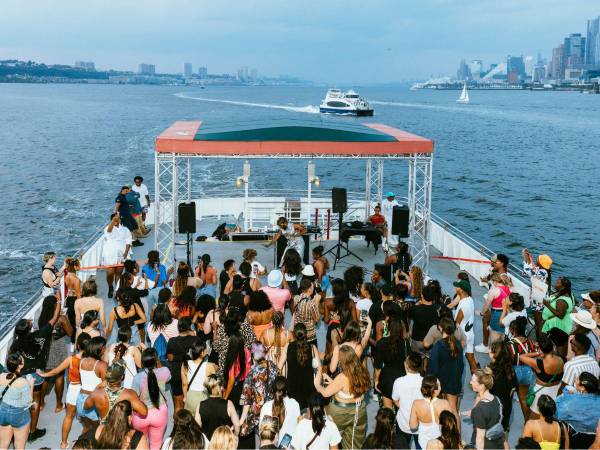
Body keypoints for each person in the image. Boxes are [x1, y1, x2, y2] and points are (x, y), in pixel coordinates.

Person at [9, 296, 61, 441]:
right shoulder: (40, 334)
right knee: (36, 399)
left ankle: (18, 430)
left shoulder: (15, 344)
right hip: (36, 374)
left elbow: (12, 361)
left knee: (22, 401)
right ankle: (32, 432)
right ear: (28, 329)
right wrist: (59, 302)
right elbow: (55, 317)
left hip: (21, 375)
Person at [37, 333, 91, 449]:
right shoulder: (91, 361)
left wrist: (44, 374)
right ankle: (83, 442)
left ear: (77, 346)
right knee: (87, 419)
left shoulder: (70, 360)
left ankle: (63, 443)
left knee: (68, 417)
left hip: (73, 389)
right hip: (85, 391)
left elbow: (55, 371)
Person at [314, 346, 370, 450]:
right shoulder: (362, 370)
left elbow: (325, 393)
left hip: (340, 413)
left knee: (333, 436)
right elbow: (350, 389)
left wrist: (317, 384)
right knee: (354, 442)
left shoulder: (342, 377)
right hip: (359, 410)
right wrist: (333, 382)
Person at [38, 294, 73, 414]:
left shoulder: (41, 319)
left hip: (45, 349)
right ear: (55, 306)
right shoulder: (61, 318)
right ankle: (58, 405)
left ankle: (41, 403)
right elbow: (70, 333)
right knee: (59, 376)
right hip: (58, 348)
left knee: (45, 376)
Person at [239, 342, 278, 447]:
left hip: (259, 415)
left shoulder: (252, 372)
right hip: (274, 410)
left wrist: (242, 419)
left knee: (260, 443)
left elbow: (246, 398)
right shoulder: (273, 366)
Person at [132, 348, 171, 450]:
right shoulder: (165, 372)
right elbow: (168, 378)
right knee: (156, 445)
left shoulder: (137, 378)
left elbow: (134, 397)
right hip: (159, 413)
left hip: (141, 415)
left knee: (141, 445)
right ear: (156, 360)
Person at [83, 363, 147, 424]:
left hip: (104, 430)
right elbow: (144, 412)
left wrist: (99, 387)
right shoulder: (129, 394)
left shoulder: (96, 393)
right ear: (122, 377)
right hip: (121, 431)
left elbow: (86, 407)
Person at [519, 336, 564, 417]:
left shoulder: (539, 363)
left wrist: (537, 353)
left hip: (541, 394)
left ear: (541, 349)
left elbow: (521, 357)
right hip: (556, 392)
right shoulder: (560, 360)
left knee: (535, 417)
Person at [428, 318, 464, 416]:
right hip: (454, 381)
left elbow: (433, 367)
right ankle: (456, 431)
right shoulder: (457, 343)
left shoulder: (438, 345)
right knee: (454, 411)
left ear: (440, 328)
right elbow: (461, 364)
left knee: (440, 411)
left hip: (441, 382)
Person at [475, 254, 511, 353]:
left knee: (486, 321)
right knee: (486, 322)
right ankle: (489, 346)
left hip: (497, 305)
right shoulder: (496, 273)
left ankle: (486, 346)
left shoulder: (503, 276)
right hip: (494, 301)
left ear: (502, 263)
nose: (494, 263)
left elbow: (507, 289)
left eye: (497, 262)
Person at [278, 323, 318, 410]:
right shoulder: (312, 348)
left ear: (294, 334)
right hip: (308, 388)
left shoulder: (288, 347)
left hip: (292, 388)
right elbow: (318, 368)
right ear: (306, 334)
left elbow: (279, 367)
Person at [556, 371, 600, 449]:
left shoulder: (570, 400)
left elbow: (557, 413)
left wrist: (565, 396)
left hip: (576, 439)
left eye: (577, 379)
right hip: (596, 438)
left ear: (582, 387)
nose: (575, 380)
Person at [507, 316, 539, 420]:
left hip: (514, 371)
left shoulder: (510, 344)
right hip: (527, 371)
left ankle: (506, 421)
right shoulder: (529, 342)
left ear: (513, 330)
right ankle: (527, 421)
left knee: (508, 397)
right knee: (523, 398)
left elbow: (508, 360)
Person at [409, 375, 453, 449]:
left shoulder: (416, 403)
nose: (440, 387)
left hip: (423, 444)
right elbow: (451, 426)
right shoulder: (444, 403)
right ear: (434, 390)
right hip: (440, 444)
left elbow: (413, 426)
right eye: (439, 385)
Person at [465, 368, 505, 450]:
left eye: (473, 380)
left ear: (481, 386)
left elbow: (480, 438)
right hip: (497, 443)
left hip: (486, 446)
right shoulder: (496, 399)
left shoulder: (480, 408)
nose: (470, 382)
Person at [0, 353, 34, 450]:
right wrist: (31, 385)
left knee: (3, 445)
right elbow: (27, 403)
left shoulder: (1, 376)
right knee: (19, 446)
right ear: (20, 366)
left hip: (3, 411)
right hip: (19, 414)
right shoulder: (23, 382)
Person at [374, 314, 408, 408]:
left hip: (387, 379)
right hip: (402, 378)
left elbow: (378, 366)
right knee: (401, 408)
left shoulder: (381, 343)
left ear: (387, 327)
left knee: (387, 409)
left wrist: (376, 381)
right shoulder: (405, 343)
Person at [76, 336, 108, 434]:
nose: (105, 349)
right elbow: (106, 385)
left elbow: (82, 381)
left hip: (81, 399)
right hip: (93, 401)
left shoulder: (81, 361)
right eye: (104, 347)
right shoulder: (101, 365)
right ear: (100, 348)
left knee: (86, 427)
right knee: (97, 430)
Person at [392, 352, 424, 449]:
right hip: (421, 425)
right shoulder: (425, 381)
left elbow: (395, 400)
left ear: (406, 365)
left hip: (403, 423)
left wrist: (403, 407)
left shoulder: (398, 382)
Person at [166, 317, 197, 412]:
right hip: (191, 373)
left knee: (178, 403)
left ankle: (178, 424)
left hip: (176, 373)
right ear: (189, 327)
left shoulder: (172, 341)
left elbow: (170, 358)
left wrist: (178, 357)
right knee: (192, 404)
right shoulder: (195, 340)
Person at [260, 376, 301, 447]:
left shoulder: (267, 406)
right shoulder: (295, 404)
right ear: (287, 390)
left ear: (272, 390)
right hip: (290, 447)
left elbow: (264, 436)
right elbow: (298, 429)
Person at [488, 340, 517, 438]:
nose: (488, 352)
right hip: (506, 409)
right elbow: (512, 391)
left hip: (494, 411)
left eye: (491, 351)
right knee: (503, 439)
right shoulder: (511, 371)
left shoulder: (491, 373)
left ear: (496, 354)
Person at [197, 374, 240, 440]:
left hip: (208, 443)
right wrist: (235, 436)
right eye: (221, 386)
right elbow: (237, 425)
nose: (222, 388)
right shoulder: (228, 404)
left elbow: (197, 427)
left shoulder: (200, 405)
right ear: (220, 388)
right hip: (224, 441)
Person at [522, 249, 553, 336]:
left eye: (538, 259)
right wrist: (528, 258)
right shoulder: (541, 270)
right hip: (538, 300)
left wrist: (525, 260)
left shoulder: (543, 272)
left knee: (539, 324)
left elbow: (528, 271)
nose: (537, 260)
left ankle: (540, 341)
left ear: (541, 263)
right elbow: (528, 271)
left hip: (539, 303)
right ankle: (539, 338)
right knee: (538, 322)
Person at [103, 213, 134, 298]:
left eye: (118, 219)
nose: (117, 220)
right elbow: (108, 231)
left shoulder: (125, 229)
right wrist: (113, 222)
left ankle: (117, 290)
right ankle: (110, 286)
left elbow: (128, 241)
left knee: (118, 273)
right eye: (115, 219)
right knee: (110, 273)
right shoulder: (108, 228)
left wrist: (126, 252)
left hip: (121, 254)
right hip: (110, 254)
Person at [182, 337, 216, 414]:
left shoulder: (185, 364)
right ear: (201, 353)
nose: (207, 351)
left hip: (190, 395)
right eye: (205, 349)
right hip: (203, 396)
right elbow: (213, 387)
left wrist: (185, 397)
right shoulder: (209, 366)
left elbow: (184, 384)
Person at [453, 279, 478, 373]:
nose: (456, 288)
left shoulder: (463, 305)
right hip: (470, 334)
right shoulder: (469, 299)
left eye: (457, 287)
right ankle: (477, 378)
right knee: (470, 357)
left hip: (462, 336)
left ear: (462, 290)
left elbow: (456, 323)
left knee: (455, 359)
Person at [409, 284, 440, 355]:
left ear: (422, 295)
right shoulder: (437, 309)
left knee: (416, 362)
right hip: (431, 341)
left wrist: (417, 304)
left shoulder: (415, 309)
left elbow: (409, 318)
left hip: (417, 339)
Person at [292, 278, 321, 346]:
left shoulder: (296, 298)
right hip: (309, 335)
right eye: (312, 287)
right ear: (309, 289)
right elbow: (317, 319)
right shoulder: (311, 304)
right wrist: (317, 302)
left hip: (298, 332)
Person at [64, 257, 82, 340]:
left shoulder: (66, 276)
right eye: (79, 265)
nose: (80, 266)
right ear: (75, 267)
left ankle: (72, 339)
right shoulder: (76, 280)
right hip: (75, 301)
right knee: (77, 322)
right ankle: (76, 340)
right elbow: (78, 295)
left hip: (69, 300)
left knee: (71, 321)